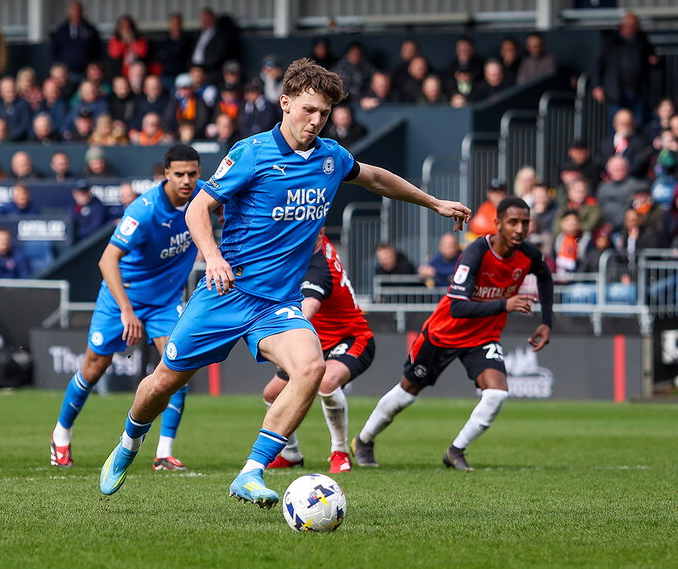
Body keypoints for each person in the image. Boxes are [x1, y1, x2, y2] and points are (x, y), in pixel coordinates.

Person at [98, 58, 470, 505]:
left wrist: (434, 203)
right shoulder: (251, 152)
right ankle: (129, 442)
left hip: (276, 304)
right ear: (286, 102)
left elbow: (374, 177)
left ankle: (251, 472)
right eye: (308, 109)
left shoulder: (331, 157)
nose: (315, 121)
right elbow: (198, 209)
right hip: (226, 293)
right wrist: (212, 258)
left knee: (311, 368)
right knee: (162, 384)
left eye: (325, 114)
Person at [351, 196, 552, 472]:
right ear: (498, 224)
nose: (519, 229)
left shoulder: (529, 254)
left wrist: (546, 321)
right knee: (407, 392)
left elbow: (545, 276)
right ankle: (364, 440)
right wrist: (504, 304)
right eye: (513, 222)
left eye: (525, 223)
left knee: (497, 393)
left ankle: (455, 451)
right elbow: (458, 307)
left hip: (483, 337)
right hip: (443, 334)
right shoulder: (476, 252)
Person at [51, 145, 202, 470]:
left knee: (177, 367)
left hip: (165, 301)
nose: (186, 181)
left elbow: (235, 203)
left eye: (192, 174)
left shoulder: (204, 196)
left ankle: (164, 453)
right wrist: (126, 311)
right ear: (166, 174)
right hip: (123, 297)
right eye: (179, 174)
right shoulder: (144, 210)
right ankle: (61, 433)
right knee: (94, 367)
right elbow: (107, 260)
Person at [262, 231, 375, 474]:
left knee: (327, 382)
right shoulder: (311, 247)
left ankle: (340, 451)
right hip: (316, 342)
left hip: (352, 338)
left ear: (320, 231)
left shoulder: (319, 268)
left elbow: (306, 312)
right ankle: (290, 454)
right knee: (272, 394)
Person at [592, 12, 658, 130]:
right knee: (617, 123)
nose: (633, 27)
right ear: (623, 25)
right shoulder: (611, 42)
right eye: (630, 25)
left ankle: (636, 143)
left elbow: (653, 60)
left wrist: (654, 61)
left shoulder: (642, 40)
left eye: (635, 25)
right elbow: (599, 65)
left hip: (638, 90)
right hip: (616, 90)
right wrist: (597, 86)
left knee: (638, 123)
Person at [50, 0, 102, 79]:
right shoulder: (61, 31)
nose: (76, 13)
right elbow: (54, 51)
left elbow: (98, 50)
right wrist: (58, 66)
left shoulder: (90, 30)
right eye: (74, 10)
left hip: (86, 73)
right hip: (66, 74)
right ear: (69, 12)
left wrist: (93, 65)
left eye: (78, 10)